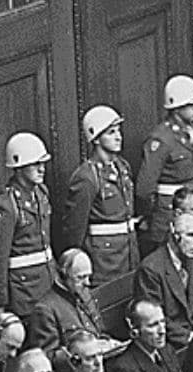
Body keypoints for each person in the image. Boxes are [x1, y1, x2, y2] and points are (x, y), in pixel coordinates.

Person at [59, 105, 139, 286]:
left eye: (118, 131)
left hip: (129, 254)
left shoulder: (122, 167)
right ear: (96, 138)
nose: (118, 136)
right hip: (104, 262)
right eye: (111, 132)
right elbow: (74, 228)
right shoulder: (87, 177)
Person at [0, 132, 56, 317]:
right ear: (19, 167)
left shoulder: (41, 193)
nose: (42, 169)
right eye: (35, 164)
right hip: (24, 291)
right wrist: (1, 301)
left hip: (47, 282)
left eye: (43, 163)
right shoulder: (5, 205)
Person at [135, 75, 193, 251]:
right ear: (177, 107)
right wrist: (154, 215)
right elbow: (145, 189)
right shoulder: (161, 139)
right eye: (192, 104)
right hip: (168, 212)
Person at [133, 212, 193, 348]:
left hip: (192, 333)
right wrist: (189, 337)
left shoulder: (189, 260)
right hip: (169, 340)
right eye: (191, 235)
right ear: (174, 236)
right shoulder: (151, 269)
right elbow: (154, 318)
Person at [27, 249, 104, 371]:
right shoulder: (45, 309)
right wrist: (81, 354)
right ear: (63, 276)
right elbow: (47, 357)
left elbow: (99, 331)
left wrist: (108, 343)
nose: (87, 283)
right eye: (81, 277)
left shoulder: (85, 294)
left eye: (88, 276)